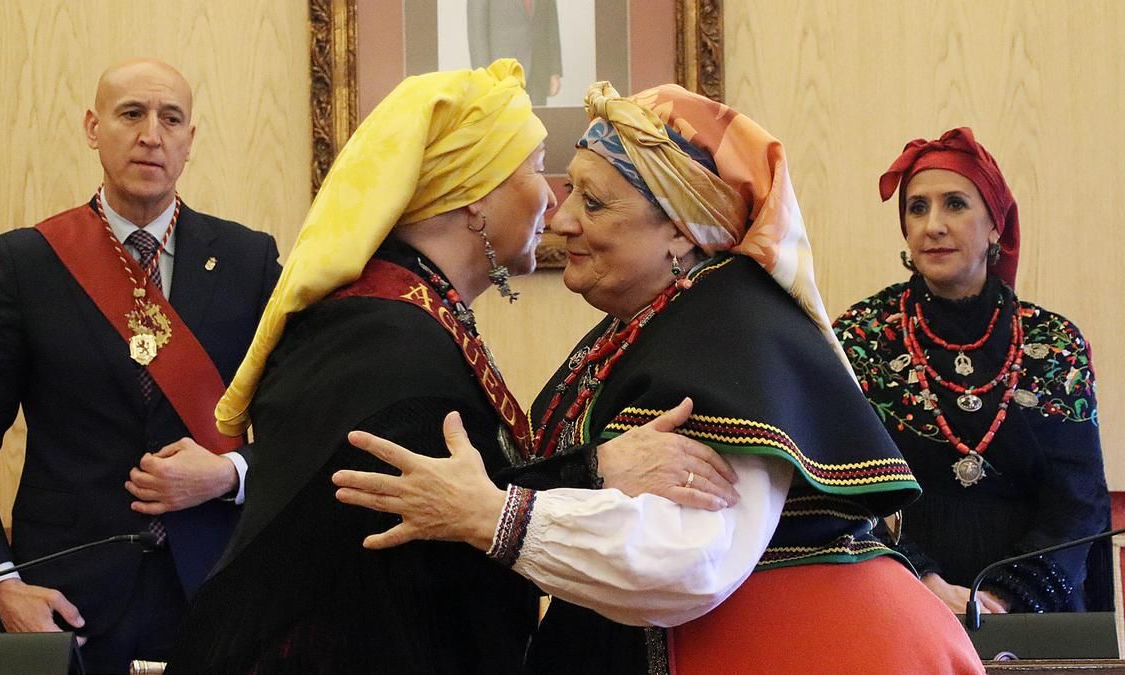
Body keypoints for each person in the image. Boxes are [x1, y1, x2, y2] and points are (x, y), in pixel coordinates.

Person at [335, 83, 984, 674]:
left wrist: (493, 516)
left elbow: (689, 559)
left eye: (593, 202)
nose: (562, 220)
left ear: (681, 230)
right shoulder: (653, 323)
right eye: (567, 192)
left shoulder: (734, 334)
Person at [166, 60, 733, 675]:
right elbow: (440, 512)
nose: (551, 198)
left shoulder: (408, 311)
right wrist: (598, 470)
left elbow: (459, 492)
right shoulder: (377, 337)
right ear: (473, 199)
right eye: (533, 169)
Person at [0, 58, 281, 672]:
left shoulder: (249, 262)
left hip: (216, 598)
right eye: (131, 114)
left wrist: (228, 472)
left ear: (190, 140)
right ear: (94, 128)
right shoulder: (30, 264)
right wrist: (1, 586)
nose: (152, 135)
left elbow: (302, 424)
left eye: (171, 118)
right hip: (67, 610)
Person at [833, 128, 1112, 615]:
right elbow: (848, 483)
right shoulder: (861, 335)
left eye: (955, 204)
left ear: (995, 227)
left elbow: (1078, 501)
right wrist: (925, 582)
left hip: (1037, 604)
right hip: (897, 597)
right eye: (917, 208)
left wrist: (1005, 599)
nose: (932, 225)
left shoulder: (1054, 342)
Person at [468, 0, 562, 105]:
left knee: (536, 119)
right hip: (501, 76)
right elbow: (477, 33)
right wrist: (484, 77)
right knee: (506, 120)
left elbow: (551, 23)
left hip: (537, 73)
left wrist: (554, 71)